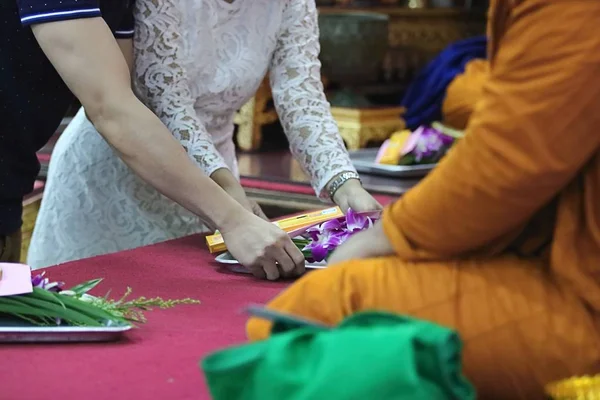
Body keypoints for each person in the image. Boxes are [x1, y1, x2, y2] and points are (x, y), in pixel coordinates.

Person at [247, 0, 600, 397]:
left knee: (308, 312)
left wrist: (383, 230)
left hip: (582, 294)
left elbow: (511, 159)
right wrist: (227, 204)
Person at [27, 0, 381, 270]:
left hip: (223, 180)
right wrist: (228, 200)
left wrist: (345, 184)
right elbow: (164, 100)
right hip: (121, 172)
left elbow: (299, 91)